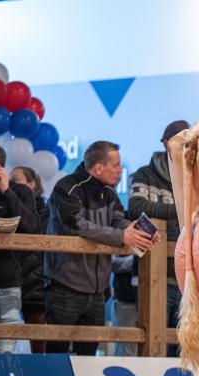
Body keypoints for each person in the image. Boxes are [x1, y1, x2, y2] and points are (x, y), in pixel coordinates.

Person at [45, 141, 157, 355]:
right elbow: (76, 225)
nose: (120, 170)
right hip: (65, 286)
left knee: (88, 357)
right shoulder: (66, 188)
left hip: (98, 291)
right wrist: (122, 236)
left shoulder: (110, 193)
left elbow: (118, 220)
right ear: (98, 168)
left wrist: (141, 232)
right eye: (116, 165)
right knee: (56, 356)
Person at [127, 120, 190, 356]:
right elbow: (135, 206)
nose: (186, 148)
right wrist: (181, 210)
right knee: (152, 344)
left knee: (185, 347)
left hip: (188, 278)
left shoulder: (195, 177)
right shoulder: (145, 174)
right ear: (166, 144)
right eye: (181, 143)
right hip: (153, 276)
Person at [0, 142, 39, 353]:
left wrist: (6, 189)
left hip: (7, 286)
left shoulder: (20, 192)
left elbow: (32, 229)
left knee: (5, 356)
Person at [11, 166, 50, 353]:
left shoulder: (46, 210)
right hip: (7, 281)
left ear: (32, 184)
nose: (11, 185)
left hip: (36, 283)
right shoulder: (4, 205)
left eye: (16, 180)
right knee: (2, 338)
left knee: (39, 341)